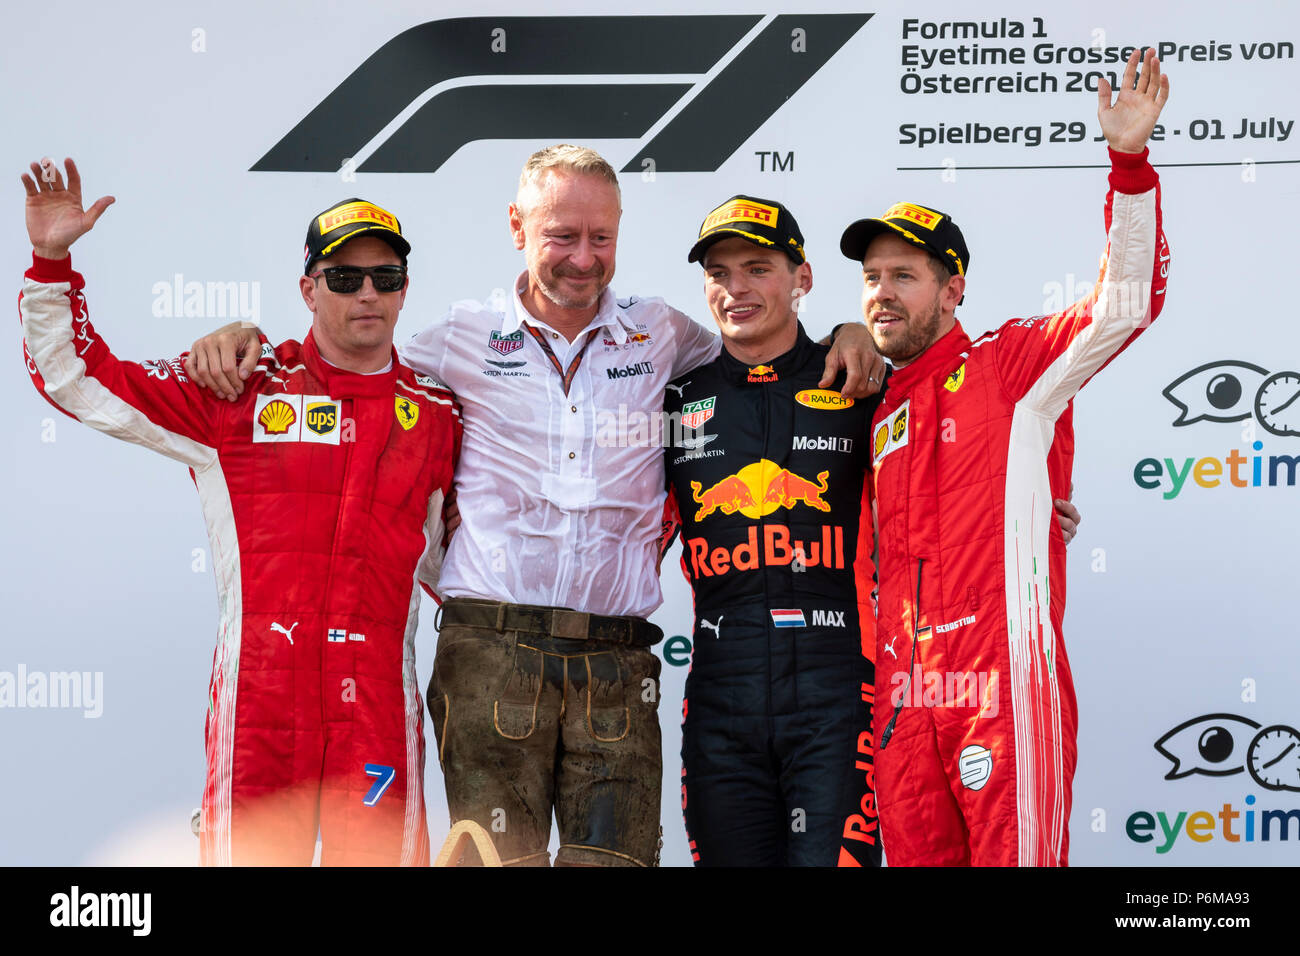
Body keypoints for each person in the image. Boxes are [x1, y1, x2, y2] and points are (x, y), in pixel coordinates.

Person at [182, 144, 885, 866]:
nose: (582, 257)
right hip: (489, 652)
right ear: (518, 227)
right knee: (499, 865)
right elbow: (354, 360)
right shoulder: (459, 337)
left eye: (600, 237)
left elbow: (763, 355)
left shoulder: (667, 333)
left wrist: (848, 335)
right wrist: (250, 340)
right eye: (561, 236)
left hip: (618, 658)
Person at [19, 161, 461, 865]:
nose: (368, 293)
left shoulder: (438, 415)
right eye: (345, 278)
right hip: (261, 704)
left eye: (386, 277)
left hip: (375, 709)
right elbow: (76, 376)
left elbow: (471, 562)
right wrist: (51, 262)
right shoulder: (239, 389)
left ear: (406, 290)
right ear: (308, 289)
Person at [841, 48, 1170, 866]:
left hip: (1001, 684)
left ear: (952, 289)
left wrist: (1127, 164)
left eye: (905, 276)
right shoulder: (866, 401)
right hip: (903, 699)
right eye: (872, 277)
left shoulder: (1011, 364)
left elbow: (1124, 307)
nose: (883, 291)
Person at [661, 195, 884, 866]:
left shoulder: (861, 381)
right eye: (720, 273)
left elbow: (949, 477)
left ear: (802, 278)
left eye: (758, 269)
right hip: (721, 691)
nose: (737, 289)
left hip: (838, 688)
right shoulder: (672, 399)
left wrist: (1030, 509)